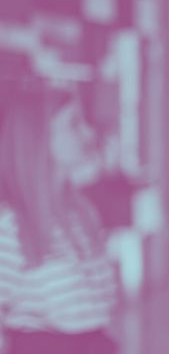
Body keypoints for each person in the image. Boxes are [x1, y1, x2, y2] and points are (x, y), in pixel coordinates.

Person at [0, 86, 118, 354]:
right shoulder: (10, 226)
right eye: (73, 124)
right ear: (39, 139)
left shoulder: (83, 213)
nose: (88, 133)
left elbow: (100, 307)